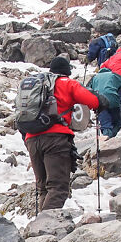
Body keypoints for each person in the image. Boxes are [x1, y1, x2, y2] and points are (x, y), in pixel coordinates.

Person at [23, 56, 101, 211]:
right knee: (58, 188)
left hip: (31, 138)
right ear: (67, 71)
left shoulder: (38, 84)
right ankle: (45, 228)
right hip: (55, 139)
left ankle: (39, 230)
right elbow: (93, 102)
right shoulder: (66, 83)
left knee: (43, 188)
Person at [86, 68, 121, 138]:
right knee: (117, 123)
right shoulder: (113, 75)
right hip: (113, 99)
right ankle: (110, 137)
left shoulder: (94, 77)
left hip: (99, 101)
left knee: (105, 124)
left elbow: (87, 89)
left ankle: (107, 137)